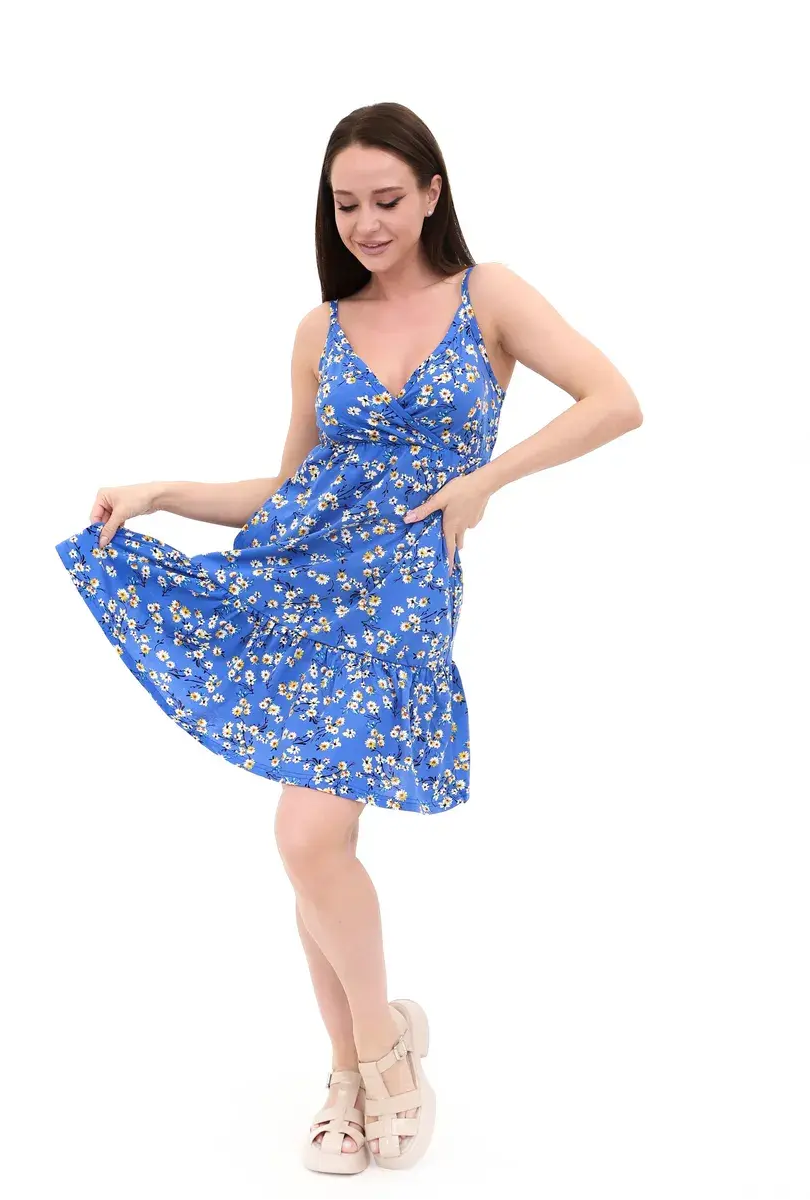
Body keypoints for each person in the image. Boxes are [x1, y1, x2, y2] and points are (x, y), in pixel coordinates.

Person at [54, 101, 642, 1173]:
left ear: (432, 193)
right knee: (314, 845)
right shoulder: (318, 329)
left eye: (386, 199)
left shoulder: (490, 296)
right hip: (303, 585)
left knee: (305, 836)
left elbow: (614, 401)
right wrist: (161, 492)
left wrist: (487, 480)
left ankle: (379, 1053)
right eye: (345, 204)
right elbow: (289, 491)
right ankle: (359, 1067)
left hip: (404, 596)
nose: (367, 223)